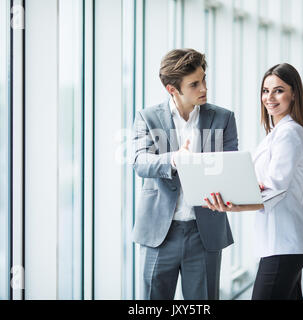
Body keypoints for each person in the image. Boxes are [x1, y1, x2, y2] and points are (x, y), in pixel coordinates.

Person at [132, 48, 238, 300]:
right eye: (194, 84)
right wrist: (174, 159)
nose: (203, 88)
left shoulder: (223, 118)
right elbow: (139, 161)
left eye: (204, 80)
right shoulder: (147, 117)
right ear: (172, 89)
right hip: (159, 233)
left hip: (204, 233)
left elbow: (231, 166)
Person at [204, 63, 303, 300]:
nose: (269, 97)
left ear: (294, 93)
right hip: (280, 244)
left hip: (284, 243)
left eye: (278, 90)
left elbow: (274, 188)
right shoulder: (277, 134)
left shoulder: (290, 134)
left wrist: (234, 204)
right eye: (265, 90)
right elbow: (261, 184)